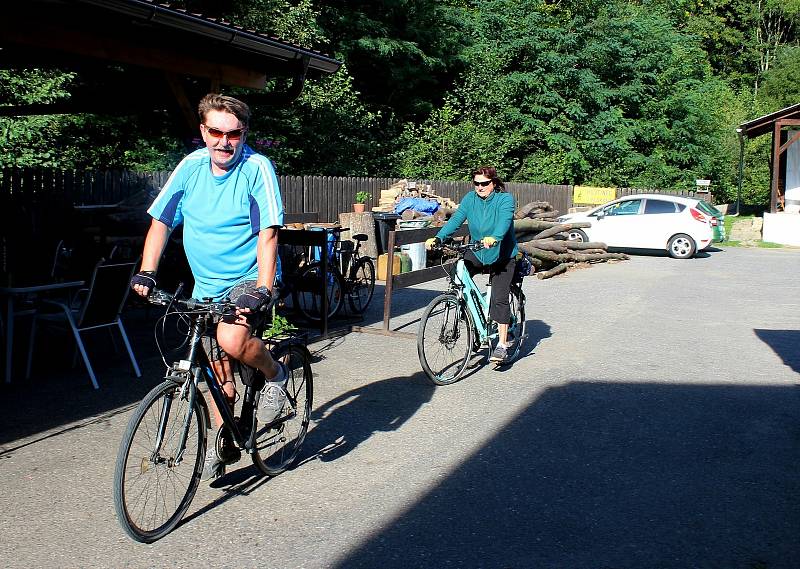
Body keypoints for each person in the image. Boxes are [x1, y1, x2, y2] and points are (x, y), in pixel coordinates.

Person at [130, 93, 287, 480]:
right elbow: (162, 222)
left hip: (250, 279)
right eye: (216, 132)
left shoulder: (257, 167)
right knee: (219, 377)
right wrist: (147, 272)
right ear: (203, 130)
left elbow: (268, 233)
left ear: (244, 133)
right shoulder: (191, 167)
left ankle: (276, 375)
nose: (224, 141)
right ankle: (225, 436)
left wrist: (263, 288)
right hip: (207, 286)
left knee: (232, 341)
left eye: (233, 134)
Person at [425, 166, 518, 363]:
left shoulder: (505, 200)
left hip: (502, 254)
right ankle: (469, 312)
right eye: (476, 183)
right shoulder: (470, 199)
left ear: (493, 183)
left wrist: (495, 237)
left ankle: (502, 344)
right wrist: (438, 238)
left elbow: (504, 221)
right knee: (457, 275)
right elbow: (456, 220)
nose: (480, 187)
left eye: (484, 183)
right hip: (478, 250)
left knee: (499, 298)